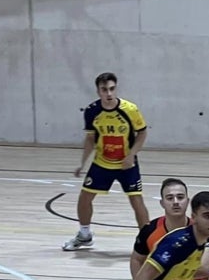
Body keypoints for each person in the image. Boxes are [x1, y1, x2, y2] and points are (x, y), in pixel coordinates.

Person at [63, 72, 151, 251]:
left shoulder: (130, 109)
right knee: (84, 198)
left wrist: (131, 155)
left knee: (136, 201)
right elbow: (90, 138)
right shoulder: (92, 111)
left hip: (127, 164)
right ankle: (85, 235)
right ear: (98, 91)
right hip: (102, 163)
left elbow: (142, 133)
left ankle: (147, 241)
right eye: (104, 90)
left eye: (112, 89)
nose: (109, 93)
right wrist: (83, 163)